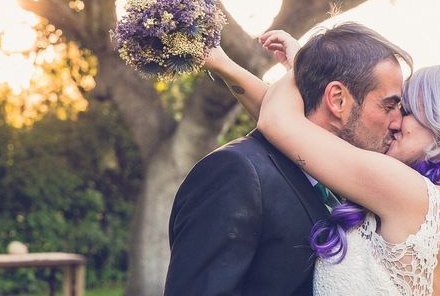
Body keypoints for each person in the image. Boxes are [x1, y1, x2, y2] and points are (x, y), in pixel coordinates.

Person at [163, 23, 413, 295]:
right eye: (388, 106)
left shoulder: (345, 185)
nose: (397, 122)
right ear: (338, 100)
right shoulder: (236, 172)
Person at [257, 30, 440, 295]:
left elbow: (279, 123)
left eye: (407, 110)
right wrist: (227, 67)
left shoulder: (409, 192)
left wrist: (307, 65)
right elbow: (304, 135)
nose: (396, 121)